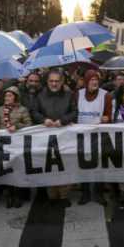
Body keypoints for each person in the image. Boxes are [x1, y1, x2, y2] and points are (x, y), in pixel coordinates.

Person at [31, 70, 77, 207]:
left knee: (65, 165)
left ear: (62, 82)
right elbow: (34, 112)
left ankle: (64, 196)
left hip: (65, 137)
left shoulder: (69, 95)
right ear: (47, 82)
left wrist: (62, 121)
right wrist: (43, 119)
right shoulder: (40, 96)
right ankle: (51, 196)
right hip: (46, 137)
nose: (54, 83)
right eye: (51, 81)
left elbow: (74, 112)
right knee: (49, 165)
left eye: (57, 81)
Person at [75, 70, 112, 205]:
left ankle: (98, 192)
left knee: (99, 165)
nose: (94, 82)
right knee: (83, 164)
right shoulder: (78, 95)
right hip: (81, 136)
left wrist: (106, 120)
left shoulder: (106, 96)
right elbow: (73, 112)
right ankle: (85, 192)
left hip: (98, 136)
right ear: (86, 81)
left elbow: (109, 115)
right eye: (91, 80)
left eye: (96, 79)